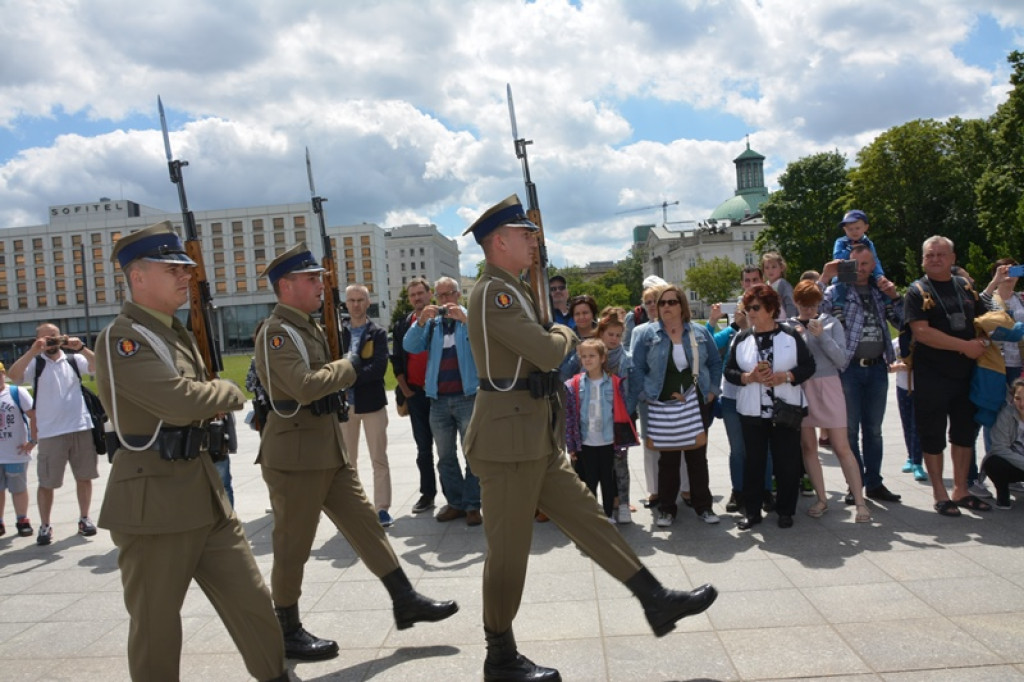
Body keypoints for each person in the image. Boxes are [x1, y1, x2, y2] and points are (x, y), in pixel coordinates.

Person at [462, 195, 717, 682]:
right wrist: (563, 333)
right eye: (524, 234)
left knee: (592, 522)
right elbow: (542, 350)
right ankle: (499, 655)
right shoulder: (492, 292)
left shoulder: (512, 289)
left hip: (533, 435)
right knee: (509, 556)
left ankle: (654, 599)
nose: (533, 241)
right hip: (506, 442)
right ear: (499, 242)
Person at [95, 222, 288, 682]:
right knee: (157, 628)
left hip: (205, 492)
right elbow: (179, 401)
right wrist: (225, 391)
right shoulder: (123, 338)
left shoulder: (174, 333)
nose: (187, 276)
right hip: (153, 505)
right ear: (137, 276)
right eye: (173, 269)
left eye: (186, 268)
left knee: (254, 603)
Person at [255, 243, 458, 661]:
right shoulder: (278, 331)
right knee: (293, 545)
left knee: (367, 524)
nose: (319, 286)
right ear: (286, 286)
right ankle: (286, 627)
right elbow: (305, 385)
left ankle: (404, 598)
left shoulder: (306, 325)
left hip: (326, 450)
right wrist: (348, 361)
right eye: (311, 279)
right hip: (295, 457)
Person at [904, 236, 987, 517]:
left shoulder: (966, 287)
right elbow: (922, 332)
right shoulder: (917, 291)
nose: (935, 259)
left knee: (964, 434)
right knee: (933, 435)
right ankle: (940, 493)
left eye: (941, 255)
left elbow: (983, 322)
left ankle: (961, 489)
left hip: (966, 376)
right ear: (922, 260)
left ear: (953, 258)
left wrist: (983, 343)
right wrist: (965, 346)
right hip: (932, 375)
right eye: (930, 255)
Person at [628, 283, 722, 527]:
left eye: (672, 302)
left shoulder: (699, 333)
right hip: (661, 403)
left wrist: (712, 391)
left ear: (682, 305)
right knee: (667, 460)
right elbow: (636, 367)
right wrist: (644, 394)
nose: (666, 306)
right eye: (662, 303)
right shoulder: (648, 335)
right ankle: (667, 510)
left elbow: (714, 362)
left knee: (697, 456)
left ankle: (704, 506)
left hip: (695, 400)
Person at [724, 284, 816, 530]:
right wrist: (747, 378)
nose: (750, 313)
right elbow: (729, 371)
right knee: (754, 462)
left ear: (771, 308)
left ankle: (786, 511)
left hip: (785, 409)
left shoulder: (790, 335)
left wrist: (785, 376)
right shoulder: (742, 338)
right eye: (747, 307)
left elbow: (808, 367)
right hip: (752, 411)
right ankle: (752, 512)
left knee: (787, 462)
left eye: (755, 307)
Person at [822, 243, 905, 505]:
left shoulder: (880, 292)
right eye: (854, 264)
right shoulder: (837, 292)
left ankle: (874, 483)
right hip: (849, 369)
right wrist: (825, 276)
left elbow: (902, 322)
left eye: (866, 264)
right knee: (849, 431)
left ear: (873, 265)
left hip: (878, 368)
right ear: (845, 264)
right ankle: (854, 483)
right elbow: (809, 307)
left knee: (874, 430)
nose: (860, 269)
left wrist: (895, 296)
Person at [6, 322, 99, 546]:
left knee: (84, 477)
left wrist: (82, 348)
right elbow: (14, 375)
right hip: (51, 432)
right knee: (47, 482)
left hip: (80, 426)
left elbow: (100, 366)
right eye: (45, 338)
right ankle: (45, 524)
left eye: (54, 337)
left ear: (62, 337)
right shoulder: (35, 364)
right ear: (38, 340)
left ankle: (85, 518)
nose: (50, 341)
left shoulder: (74, 360)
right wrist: (32, 351)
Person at [402, 276, 482, 526]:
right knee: (445, 455)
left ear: (459, 295)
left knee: (473, 454)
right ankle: (455, 503)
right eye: (440, 296)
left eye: (449, 294)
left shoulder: (471, 318)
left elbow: (487, 340)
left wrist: (466, 321)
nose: (444, 300)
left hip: (467, 396)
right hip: (438, 400)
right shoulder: (432, 324)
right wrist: (420, 322)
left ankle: (472, 505)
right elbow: (409, 346)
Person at [789, 281, 871, 523]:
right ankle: (821, 498)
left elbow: (841, 359)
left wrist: (821, 335)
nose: (808, 310)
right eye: (804, 305)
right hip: (802, 388)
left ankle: (860, 502)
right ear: (796, 303)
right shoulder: (789, 327)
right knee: (808, 447)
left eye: (813, 305)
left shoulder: (831, 323)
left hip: (829, 385)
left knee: (841, 446)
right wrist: (799, 338)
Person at [340, 284, 394, 527]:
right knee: (348, 462)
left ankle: (382, 508)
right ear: (346, 303)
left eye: (360, 299)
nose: (356, 304)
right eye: (351, 300)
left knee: (378, 459)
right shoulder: (337, 333)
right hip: (344, 406)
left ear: (368, 302)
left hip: (371, 404)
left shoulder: (378, 333)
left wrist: (348, 377)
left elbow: (378, 368)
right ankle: (354, 509)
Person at [564, 338, 633, 520]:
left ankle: (609, 514)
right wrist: (571, 445)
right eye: (584, 356)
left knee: (608, 480)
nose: (587, 360)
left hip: (608, 440)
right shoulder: (574, 384)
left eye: (592, 356)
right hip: (586, 442)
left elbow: (621, 413)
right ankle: (593, 518)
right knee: (589, 480)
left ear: (603, 358)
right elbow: (570, 417)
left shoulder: (615, 383)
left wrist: (621, 443)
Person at [391, 277, 437, 514]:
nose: (417, 298)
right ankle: (427, 494)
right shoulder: (402, 324)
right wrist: (406, 390)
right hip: (416, 394)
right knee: (423, 449)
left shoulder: (442, 320)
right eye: (413, 295)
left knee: (449, 449)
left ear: (430, 294)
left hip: (442, 394)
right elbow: (397, 360)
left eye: (421, 293)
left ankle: (460, 498)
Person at [598, 313, 634, 523]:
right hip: (597, 420)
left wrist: (624, 413)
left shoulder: (626, 359)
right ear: (601, 334)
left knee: (620, 464)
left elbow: (632, 390)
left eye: (618, 335)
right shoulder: (593, 355)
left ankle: (624, 504)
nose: (614, 339)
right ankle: (606, 506)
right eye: (610, 334)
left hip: (620, 420)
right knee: (603, 465)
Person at [0, 362, 36, 538]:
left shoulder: (16, 392)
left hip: (15, 453)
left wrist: (33, 440)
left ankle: (22, 520)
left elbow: (34, 415)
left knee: (18, 489)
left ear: (4, 374)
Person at [980, 378, 1024, 509]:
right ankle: (1003, 493)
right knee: (993, 462)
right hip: (1012, 465)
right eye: (1017, 398)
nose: (1022, 404)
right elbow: (999, 448)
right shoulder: (1006, 415)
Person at [558, 294, 600, 382]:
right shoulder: (567, 339)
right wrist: (578, 356)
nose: (581, 317)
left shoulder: (604, 335)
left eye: (585, 313)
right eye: (577, 314)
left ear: (593, 313)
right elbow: (562, 376)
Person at [833, 209, 884, 278]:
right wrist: (851, 249)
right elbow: (837, 259)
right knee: (838, 282)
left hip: (864, 277)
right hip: (845, 277)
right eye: (850, 229)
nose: (854, 231)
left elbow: (875, 261)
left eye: (857, 228)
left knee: (877, 283)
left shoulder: (868, 243)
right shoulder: (841, 242)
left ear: (865, 227)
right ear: (844, 229)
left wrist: (879, 276)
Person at [623, 275, 665, 348]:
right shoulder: (634, 316)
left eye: (656, 300)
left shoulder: (668, 315)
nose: (653, 304)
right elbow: (627, 346)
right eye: (648, 302)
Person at [762, 252, 798, 319]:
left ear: (781, 268)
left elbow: (790, 304)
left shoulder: (783, 285)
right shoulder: (765, 286)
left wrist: (790, 321)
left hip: (784, 322)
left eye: (774, 267)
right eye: (767, 268)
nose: (770, 270)